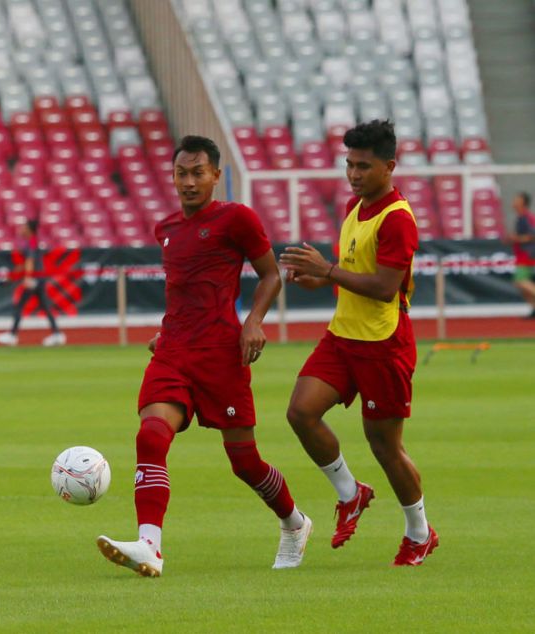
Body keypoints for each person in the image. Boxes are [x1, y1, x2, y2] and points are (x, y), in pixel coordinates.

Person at [96, 135, 312, 577]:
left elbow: (270, 275)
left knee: (244, 461)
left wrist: (253, 321)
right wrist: (166, 330)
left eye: (198, 173)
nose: (189, 181)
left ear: (216, 175)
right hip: (174, 350)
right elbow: (183, 291)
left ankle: (294, 522)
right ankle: (149, 546)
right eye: (182, 173)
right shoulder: (167, 229)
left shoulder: (237, 219)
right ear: (172, 177)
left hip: (220, 353)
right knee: (151, 435)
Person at [280, 119, 438, 566]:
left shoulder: (397, 219)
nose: (353, 174)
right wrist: (315, 278)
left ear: (390, 166)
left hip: (383, 343)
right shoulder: (355, 207)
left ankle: (419, 532)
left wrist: (327, 269)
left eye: (363, 166)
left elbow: (386, 287)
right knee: (300, 412)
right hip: (342, 336)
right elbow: (353, 276)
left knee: (385, 446)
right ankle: (351, 493)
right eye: (349, 165)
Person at [0, 219, 66, 346]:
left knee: (20, 306)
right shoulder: (32, 242)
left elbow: (30, 261)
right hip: (39, 278)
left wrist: (28, 277)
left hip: (34, 279)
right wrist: (12, 277)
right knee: (45, 306)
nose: (21, 229)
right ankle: (57, 334)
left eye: (23, 226)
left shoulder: (32, 242)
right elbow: (25, 263)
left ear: (29, 229)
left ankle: (12, 335)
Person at [503, 191, 535, 318]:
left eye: (517, 199)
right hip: (522, 254)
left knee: (520, 281)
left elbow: (532, 235)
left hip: (527, 254)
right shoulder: (520, 217)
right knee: (522, 285)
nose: (514, 201)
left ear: (523, 202)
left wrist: (515, 238)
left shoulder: (527, 217)